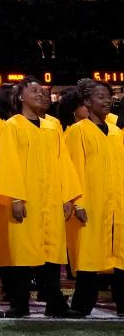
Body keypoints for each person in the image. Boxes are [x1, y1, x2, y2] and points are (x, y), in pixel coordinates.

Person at [0, 77, 83, 318]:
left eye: (43, 91)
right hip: (26, 198)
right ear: (21, 97)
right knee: (23, 254)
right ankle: (20, 304)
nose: (41, 95)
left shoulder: (52, 127)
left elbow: (63, 163)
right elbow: (8, 164)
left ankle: (55, 303)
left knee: (53, 253)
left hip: (52, 198)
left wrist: (67, 198)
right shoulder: (12, 126)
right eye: (34, 91)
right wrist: (15, 198)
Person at [64, 80, 124, 316]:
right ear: (87, 102)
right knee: (89, 255)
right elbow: (72, 169)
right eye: (100, 96)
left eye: (109, 97)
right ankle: (82, 305)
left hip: (117, 202)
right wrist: (77, 201)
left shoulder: (117, 133)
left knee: (120, 252)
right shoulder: (78, 131)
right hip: (90, 201)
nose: (107, 100)